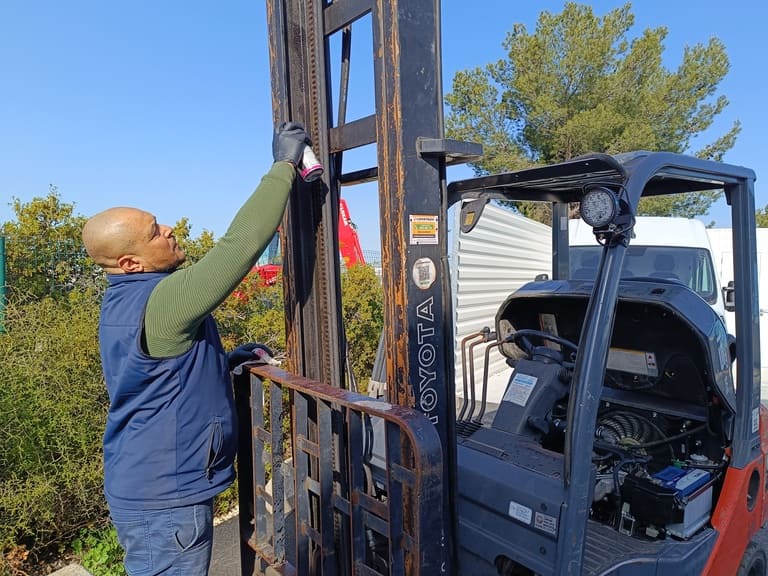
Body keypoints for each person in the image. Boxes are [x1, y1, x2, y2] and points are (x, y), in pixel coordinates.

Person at [81, 122, 313, 575]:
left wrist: (225, 363)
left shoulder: (124, 301)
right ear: (131, 262)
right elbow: (239, 248)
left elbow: (154, 377)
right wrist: (283, 167)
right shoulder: (161, 301)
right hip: (164, 501)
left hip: (152, 488)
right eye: (153, 232)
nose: (168, 229)